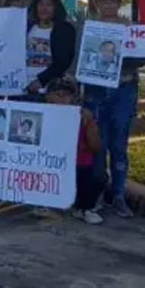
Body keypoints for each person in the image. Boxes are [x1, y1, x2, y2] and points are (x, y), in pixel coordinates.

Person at [82, 0, 145, 218]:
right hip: (96, 91)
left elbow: (143, 58)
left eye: (113, 0)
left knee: (119, 145)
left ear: (119, 3)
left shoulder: (131, 28)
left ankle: (118, 194)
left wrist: (121, 55)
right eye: (104, 0)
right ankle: (97, 193)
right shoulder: (88, 28)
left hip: (123, 89)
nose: (108, 4)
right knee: (97, 143)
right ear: (97, 3)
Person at [46, 76, 104, 225]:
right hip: (53, 162)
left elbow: (96, 147)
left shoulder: (84, 115)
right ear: (48, 96)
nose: (62, 98)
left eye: (66, 94)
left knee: (98, 176)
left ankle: (85, 208)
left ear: (73, 97)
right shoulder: (42, 113)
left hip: (80, 163)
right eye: (57, 94)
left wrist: (90, 127)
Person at [25, 0, 77, 99]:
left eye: (49, 5)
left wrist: (41, 80)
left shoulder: (65, 30)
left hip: (52, 91)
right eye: (41, 4)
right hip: (23, 88)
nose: (44, 8)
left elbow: (63, 61)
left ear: (56, 8)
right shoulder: (25, 27)